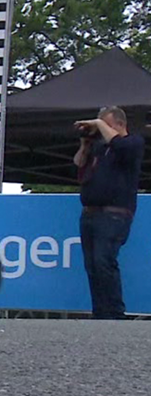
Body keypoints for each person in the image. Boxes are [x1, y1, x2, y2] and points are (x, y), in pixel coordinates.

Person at [74, 106, 145, 320]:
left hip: (114, 214)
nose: (100, 129)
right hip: (90, 213)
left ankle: (115, 313)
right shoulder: (98, 149)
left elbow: (120, 145)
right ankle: (100, 313)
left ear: (120, 124)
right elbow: (78, 164)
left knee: (104, 260)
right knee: (92, 264)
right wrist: (85, 145)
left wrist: (98, 125)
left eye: (105, 124)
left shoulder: (133, 143)